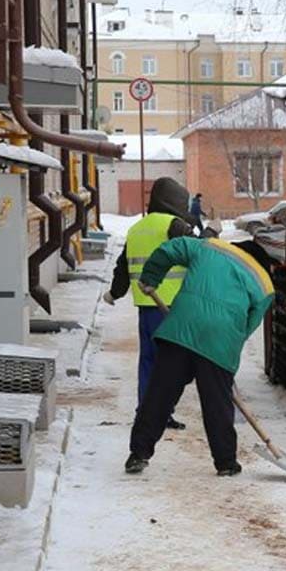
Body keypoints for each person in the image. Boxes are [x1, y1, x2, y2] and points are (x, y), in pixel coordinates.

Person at [125, 236, 275, 477]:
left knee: (159, 395)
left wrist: (151, 277)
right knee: (217, 404)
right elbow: (249, 325)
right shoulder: (265, 285)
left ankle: (138, 454)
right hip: (220, 342)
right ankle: (226, 463)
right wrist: (228, 345)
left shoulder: (209, 247)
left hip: (180, 330)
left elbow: (168, 249)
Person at [104, 177, 194, 429]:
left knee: (149, 361)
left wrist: (114, 292)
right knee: (175, 364)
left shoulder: (137, 228)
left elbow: (123, 266)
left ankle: (149, 412)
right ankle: (160, 412)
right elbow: (199, 253)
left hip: (146, 307)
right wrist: (208, 234)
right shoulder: (174, 225)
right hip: (172, 307)